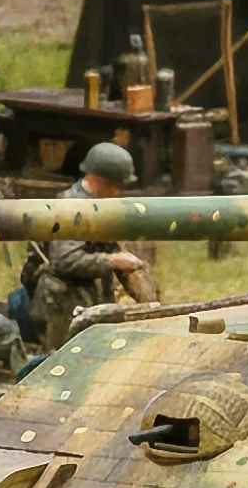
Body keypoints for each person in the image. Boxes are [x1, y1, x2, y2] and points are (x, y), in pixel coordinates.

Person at [30, 142, 157, 349]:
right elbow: (64, 260)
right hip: (63, 306)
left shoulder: (96, 204)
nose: (119, 192)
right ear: (98, 180)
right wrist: (113, 261)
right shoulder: (72, 207)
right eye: (117, 185)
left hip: (86, 299)